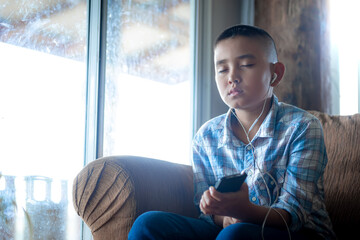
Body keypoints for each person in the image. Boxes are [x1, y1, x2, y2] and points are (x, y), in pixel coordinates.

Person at [128, 25, 336, 240]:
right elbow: (206, 210)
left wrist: (244, 212)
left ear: (275, 73)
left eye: (246, 65)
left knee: (235, 235)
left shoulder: (302, 127)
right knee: (148, 224)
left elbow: (295, 214)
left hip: (297, 233)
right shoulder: (206, 137)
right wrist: (223, 217)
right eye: (222, 69)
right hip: (228, 230)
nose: (232, 77)